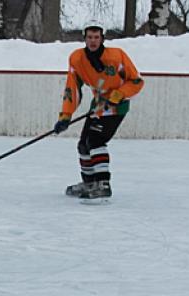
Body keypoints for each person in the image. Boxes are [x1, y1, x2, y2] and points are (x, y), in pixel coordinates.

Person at [53, 23, 144, 201]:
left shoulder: (116, 56)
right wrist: (65, 115)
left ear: (102, 39)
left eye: (96, 37)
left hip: (116, 107)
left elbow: (136, 81)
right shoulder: (77, 59)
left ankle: (103, 184)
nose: (93, 41)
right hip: (98, 107)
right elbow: (72, 88)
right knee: (83, 145)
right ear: (84, 39)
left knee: (95, 141)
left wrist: (120, 94)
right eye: (89, 37)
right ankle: (89, 183)